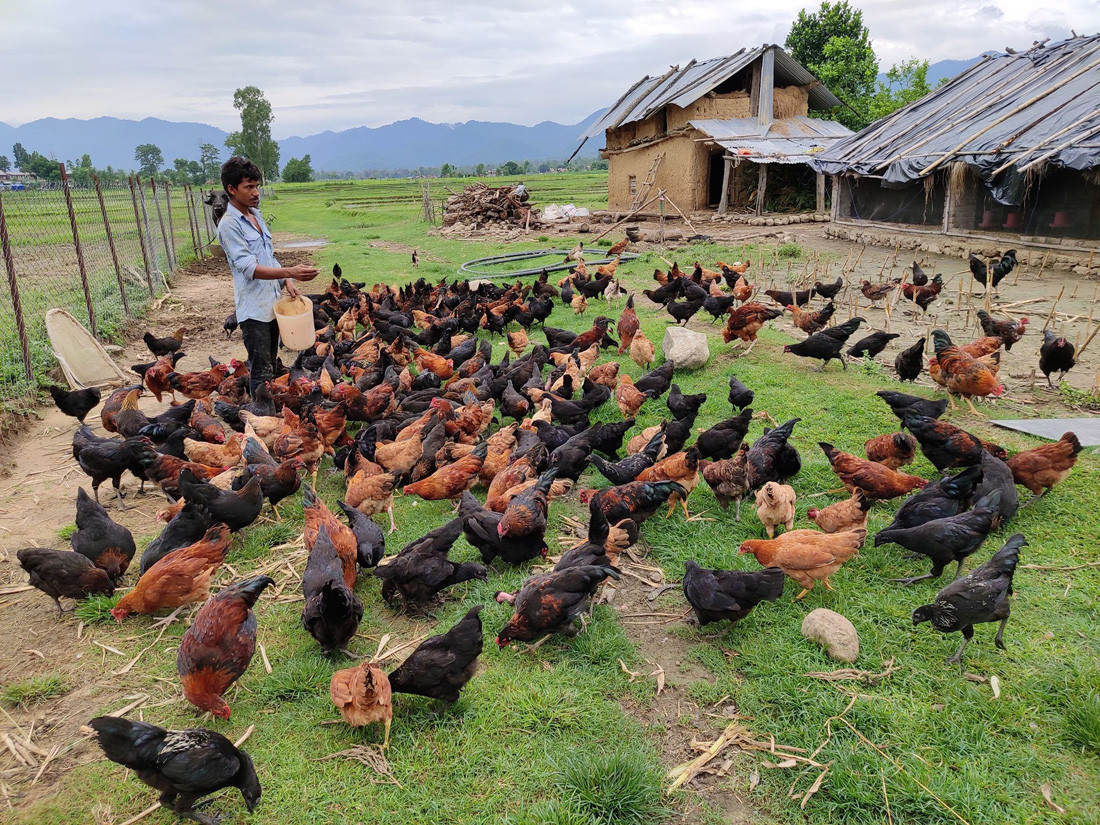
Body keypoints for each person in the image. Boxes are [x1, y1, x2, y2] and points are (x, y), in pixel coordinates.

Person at [217, 156, 318, 397]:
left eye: (257, 186)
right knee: (261, 370)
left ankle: (268, 412)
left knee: (271, 365)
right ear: (231, 189)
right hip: (254, 310)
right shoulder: (229, 225)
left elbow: (268, 256)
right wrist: (290, 271)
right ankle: (261, 416)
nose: (255, 192)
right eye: (248, 187)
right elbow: (249, 267)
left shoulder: (256, 215)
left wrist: (287, 281)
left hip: (273, 304)